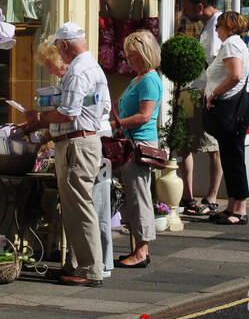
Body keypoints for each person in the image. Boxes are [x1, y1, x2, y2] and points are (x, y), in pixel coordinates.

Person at [19, 22, 109, 286]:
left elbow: (69, 113)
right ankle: (76, 264)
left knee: (79, 207)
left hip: (76, 145)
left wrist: (39, 120)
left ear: (65, 45)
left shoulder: (79, 71)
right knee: (74, 207)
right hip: (80, 142)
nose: (59, 52)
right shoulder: (90, 66)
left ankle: (90, 269)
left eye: (59, 46)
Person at [110, 30, 163, 268]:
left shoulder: (150, 79)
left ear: (145, 54)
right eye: (127, 55)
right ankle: (137, 247)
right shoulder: (137, 78)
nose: (128, 60)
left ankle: (142, 251)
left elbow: (145, 116)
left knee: (139, 197)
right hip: (129, 144)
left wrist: (116, 124)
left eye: (133, 56)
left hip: (139, 145)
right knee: (132, 196)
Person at [202, 11, 249, 225]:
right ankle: (232, 205)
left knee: (234, 157)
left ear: (227, 26)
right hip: (234, 107)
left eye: (219, 26)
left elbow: (235, 76)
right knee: (230, 156)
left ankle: (240, 210)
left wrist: (215, 93)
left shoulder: (232, 44)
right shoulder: (233, 44)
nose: (216, 29)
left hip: (233, 107)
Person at [178, 0, 224, 216]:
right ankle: (187, 196)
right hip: (192, 89)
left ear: (199, 7)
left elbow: (216, 63)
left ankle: (212, 198)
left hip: (204, 94)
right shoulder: (207, 24)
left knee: (212, 146)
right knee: (185, 141)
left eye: (186, 9)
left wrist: (209, 93)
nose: (184, 14)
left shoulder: (216, 26)